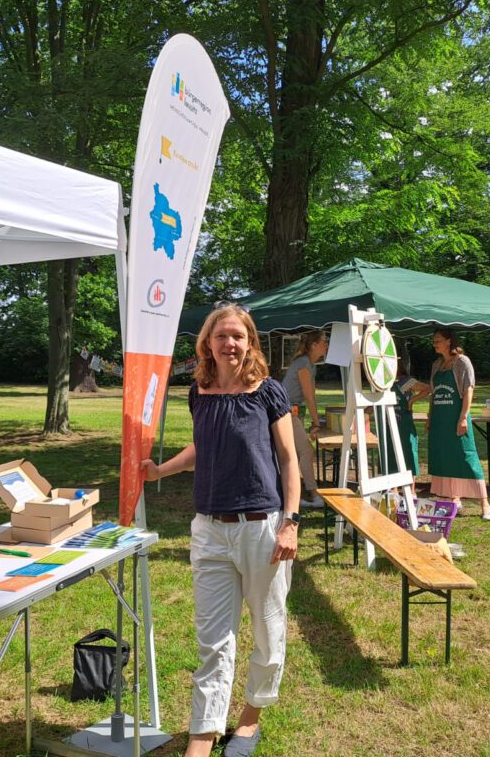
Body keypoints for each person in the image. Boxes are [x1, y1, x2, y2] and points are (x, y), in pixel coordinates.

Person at [141, 304, 299, 757]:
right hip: (209, 529)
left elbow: (288, 460)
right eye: (221, 336)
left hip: (263, 528)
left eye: (238, 336)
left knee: (268, 631)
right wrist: (161, 471)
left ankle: (250, 719)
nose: (229, 344)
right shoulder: (199, 391)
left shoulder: (268, 392)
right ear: (207, 342)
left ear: (250, 342)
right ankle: (204, 734)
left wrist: (290, 523)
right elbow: (201, 447)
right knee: (213, 640)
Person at [426, 328, 490, 520]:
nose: (435, 343)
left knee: (467, 457)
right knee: (444, 459)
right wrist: (430, 418)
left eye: (438, 340)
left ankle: (485, 505)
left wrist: (463, 416)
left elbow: (468, 390)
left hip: (457, 419)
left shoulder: (462, 362)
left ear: (449, 341)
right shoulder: (436, 365)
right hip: (440, 421)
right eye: (434, 340)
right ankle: (453, 499)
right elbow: (434, 394)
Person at [281, 330, 329, 508]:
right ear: (314, 345)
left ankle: (294, 495)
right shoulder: (303, 363)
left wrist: (314, 420)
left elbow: (310, 396)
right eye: (324, 340)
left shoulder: (310, 364)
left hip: (292, 412)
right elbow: (309, 397)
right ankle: (314, 495)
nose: (327, 343)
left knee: (294, 454)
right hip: (286, 413)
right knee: (307, 451)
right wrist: (316, 423)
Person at [387, 364, 431, 488]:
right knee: (391, 454)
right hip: (388, 423)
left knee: (409, 453)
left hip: (404, 423)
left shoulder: (406, 382)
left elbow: (429, 389)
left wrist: (412, 400)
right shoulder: (382, 383)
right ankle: (394, 489)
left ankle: (411, 490)